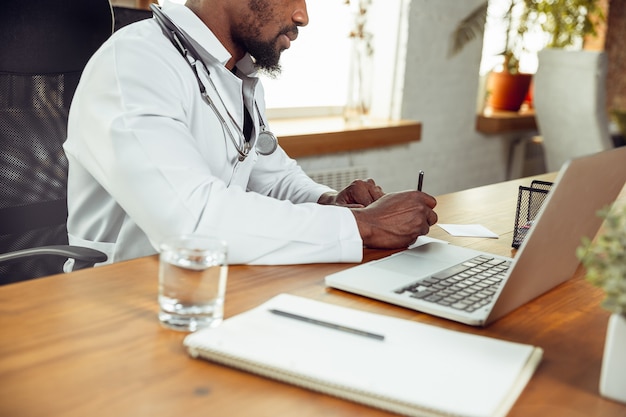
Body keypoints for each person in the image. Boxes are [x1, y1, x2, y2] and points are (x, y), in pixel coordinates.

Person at [62, 0, 438, 269]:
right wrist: (365, 225)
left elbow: (270, 177)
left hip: (211, 284)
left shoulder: (234, 74)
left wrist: (329, 202)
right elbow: (192, 222)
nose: (302, 15)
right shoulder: (135, 62)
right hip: (120, 299)